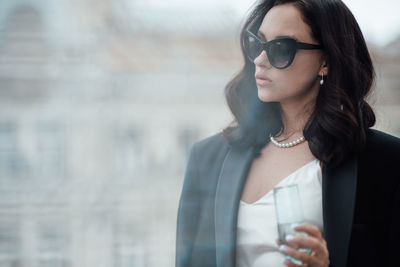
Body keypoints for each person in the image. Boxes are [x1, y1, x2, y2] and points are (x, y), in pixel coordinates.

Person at [175, 0, 400, 266]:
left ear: (325, 61)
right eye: (257, 44)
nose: (260, 60)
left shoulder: (385, 162)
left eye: (281, 49)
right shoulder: (207, 159)